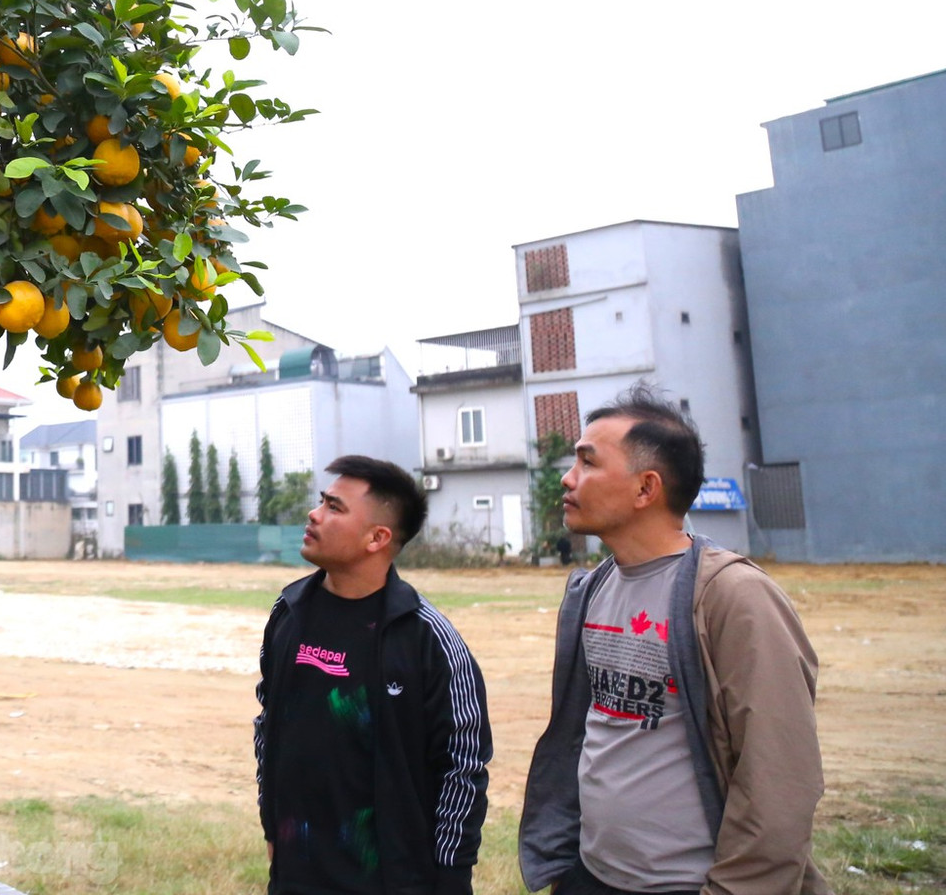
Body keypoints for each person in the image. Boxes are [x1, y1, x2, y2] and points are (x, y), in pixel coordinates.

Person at [519, 383, 829, 895]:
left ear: (646, 489)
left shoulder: (733, 596)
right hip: (590, 877)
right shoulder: (590, 589)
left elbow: (779, 778)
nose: (568, 479)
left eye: (588, 463)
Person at [255, 456, 492, 895]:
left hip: (391, 878)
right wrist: (272, 824)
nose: (314, 513)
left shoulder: (426, 638)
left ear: (377, 538)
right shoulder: (288, 612)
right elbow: (268, 724)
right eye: (322, 501)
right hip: (296, 872)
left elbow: (462, 765)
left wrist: (451, 876)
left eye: (335, 507)